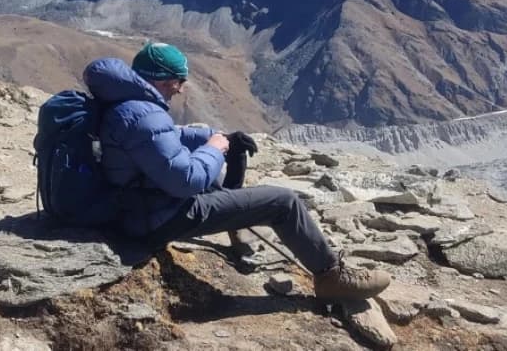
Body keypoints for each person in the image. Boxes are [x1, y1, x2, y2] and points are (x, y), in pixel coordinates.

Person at [85, 42, 391, 300]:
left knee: (215, 169)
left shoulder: (128, 104)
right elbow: (186, 181)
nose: (180, 89)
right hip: (157, 218)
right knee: (283, 202)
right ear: (163, 80)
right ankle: (331, 277)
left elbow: (165, 137)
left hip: (140, 205)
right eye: (178, 81)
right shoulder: (144, 115)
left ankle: (238, 224)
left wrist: (220, 137)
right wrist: (214, 149)